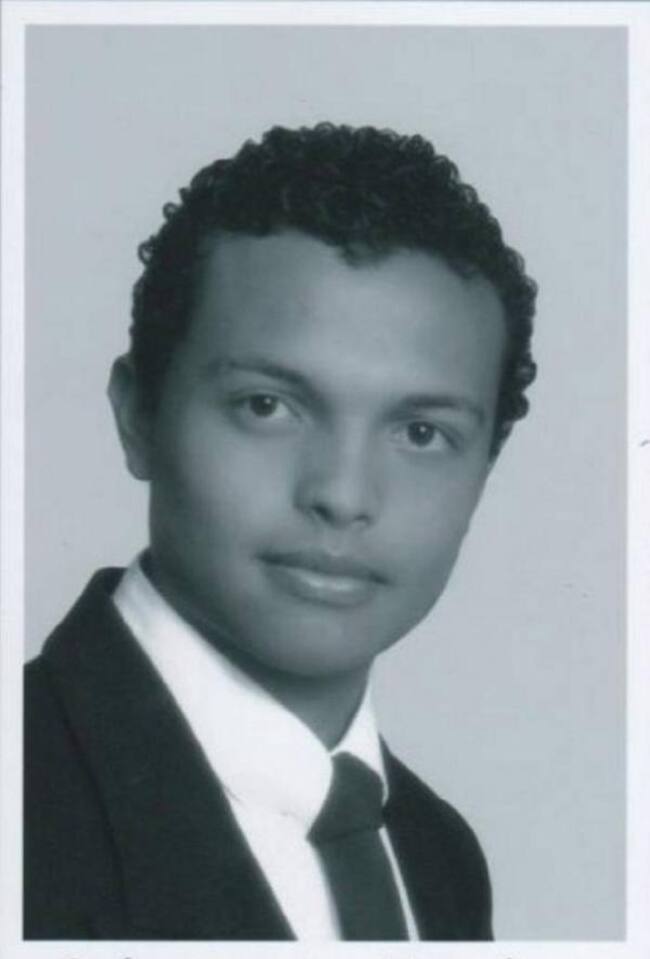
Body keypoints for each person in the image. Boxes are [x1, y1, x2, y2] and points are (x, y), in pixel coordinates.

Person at [24, 123, 537, 941]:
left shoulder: (439, 854)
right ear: (138, 416)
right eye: (267, 405)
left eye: (421, 432)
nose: (342, 493)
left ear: (484, 469)